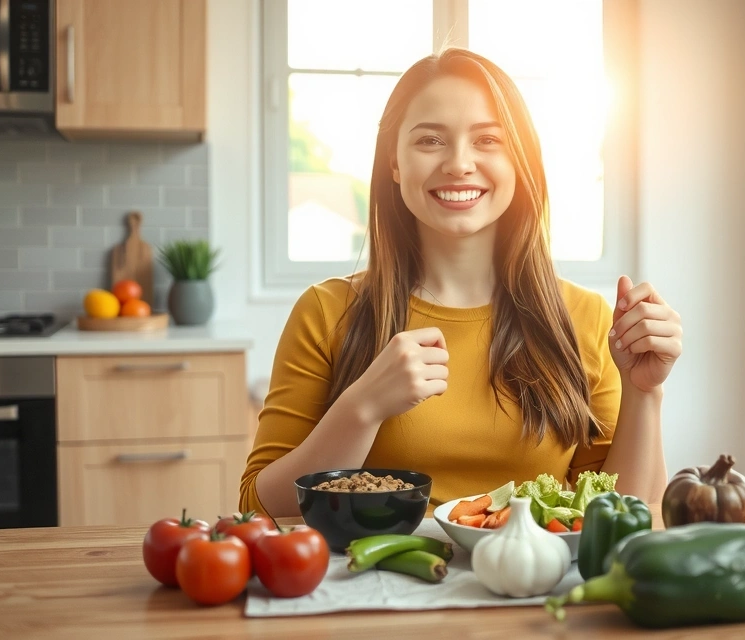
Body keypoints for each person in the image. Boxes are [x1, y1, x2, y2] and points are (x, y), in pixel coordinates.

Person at [240, 48, 683, 518]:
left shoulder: (585, 318)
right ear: (394, 163)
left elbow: (629, 511)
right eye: (430, 140)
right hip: (374, 587)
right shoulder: (327, 312)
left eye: (487, 140)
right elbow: (259, 506)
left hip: (528, 590)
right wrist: (362, 408)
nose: (458, 163)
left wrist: (644, 393)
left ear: (521, 161)